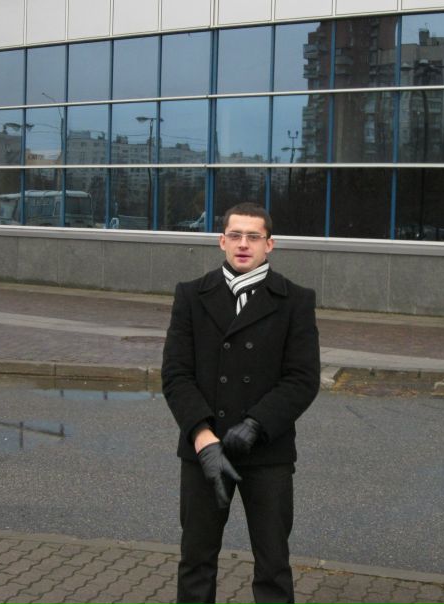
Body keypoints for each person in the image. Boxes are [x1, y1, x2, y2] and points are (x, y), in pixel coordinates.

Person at [162, 202, 321, 604]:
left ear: (270, 244)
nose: (243, 244)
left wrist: (255, 425)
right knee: (196, 561)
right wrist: (203, 438)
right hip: (203, 449)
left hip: (267, 452)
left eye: (253, 236)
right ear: (222, 241)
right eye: (235, 235)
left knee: (273, 565)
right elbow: (176, 374)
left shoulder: (295, 300)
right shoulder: (191, 295)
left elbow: (302, 378)